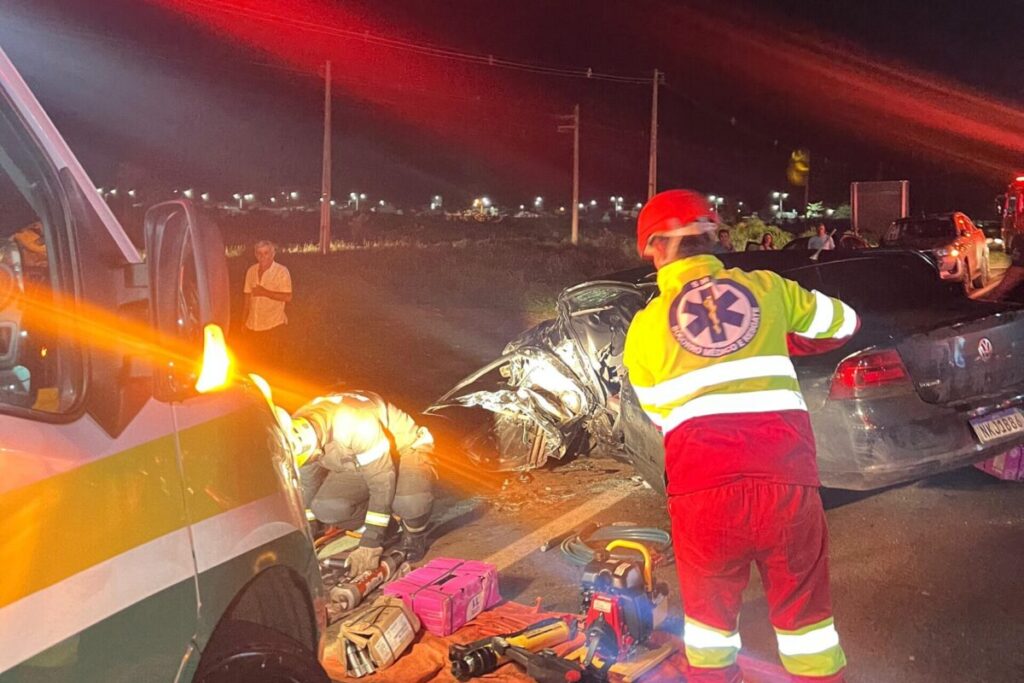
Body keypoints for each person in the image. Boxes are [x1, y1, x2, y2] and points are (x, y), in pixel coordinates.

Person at [623, 190, 858, 683]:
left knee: (709, 631)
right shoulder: (769, 289)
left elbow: (662, 415)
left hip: (702, 490)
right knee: (807, 626)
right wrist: (782, 333)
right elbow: (844, 323)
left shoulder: (643, 330)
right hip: (785, 479)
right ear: (718, 237)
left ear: (653, 248)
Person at [290, 391, 436, 574]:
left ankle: (415, 534)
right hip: (359, 461)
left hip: (403, 449)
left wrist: (370, 543)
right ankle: (389, 528)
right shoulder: (294, 431)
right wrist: (307, 532)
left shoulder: (353, 423)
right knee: (326, 507)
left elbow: (382, 481)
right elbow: (308, 484)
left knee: (409, 502)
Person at [242, 240, 292, 364]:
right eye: (259, 253)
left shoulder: (281, 271)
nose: (262, 257)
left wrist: (265, 292)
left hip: (273, 326)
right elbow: (247, 298)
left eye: (266, 253)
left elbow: (288, 297)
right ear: (255, 254)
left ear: (272, 254)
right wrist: (243, 321)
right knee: (254, 364)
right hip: (253, 325)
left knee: (273, 367)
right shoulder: (251, 271)